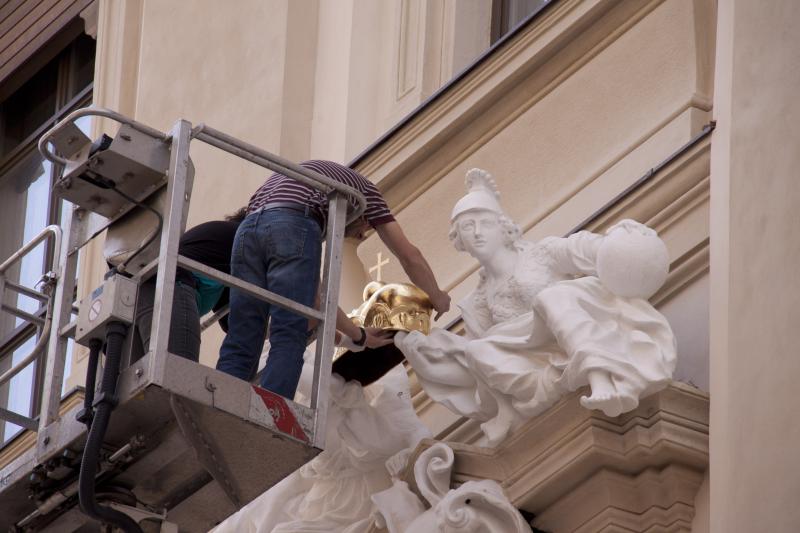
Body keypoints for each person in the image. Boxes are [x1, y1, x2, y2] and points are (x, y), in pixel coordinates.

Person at [395, 168, 676, 446]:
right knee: (478, 351)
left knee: (551, 298)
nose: (477, 232)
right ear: (460, 239)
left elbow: (592, 252)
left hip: (567, 323)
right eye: (468, 227)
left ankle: (598, 370)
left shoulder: (542, 254)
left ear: (504, 227)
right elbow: (475, 367)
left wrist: (621, 241)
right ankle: (561, 383)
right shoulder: (477, 302)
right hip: (531, 358)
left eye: (485, 223)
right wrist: (422, 350)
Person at [216, 159, 451, 399]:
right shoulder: (367, 192)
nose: (361, 234)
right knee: (289, 330)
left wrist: (357, 338)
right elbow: (410, 255)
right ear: (363, 216)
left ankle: (220, 400)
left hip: (246, 232)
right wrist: (437, 296)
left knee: (243, 333)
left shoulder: (308, 180)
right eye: (366, 229)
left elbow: (316, 300)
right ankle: (271, 411)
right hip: (293, 220)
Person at [134, 208, 247, 362]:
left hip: (143, 296)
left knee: (142, 377)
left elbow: (232, 318)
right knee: (177, 370)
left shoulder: (223, 252)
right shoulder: (242, 236)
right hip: (171, 288)